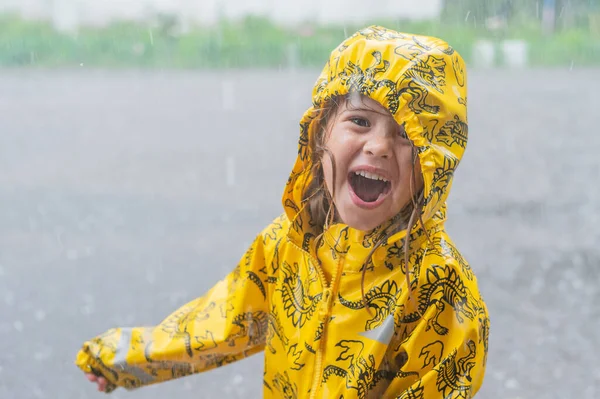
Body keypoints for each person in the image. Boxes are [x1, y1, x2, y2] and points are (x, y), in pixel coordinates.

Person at [76, 25, 489, 398]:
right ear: (320, 131)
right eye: (360, 121)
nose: (379, 146)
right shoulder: (290, 244)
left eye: (405, 134)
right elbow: (222, 325)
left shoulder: (440, 288)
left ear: (435, 163)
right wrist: (124, 359)